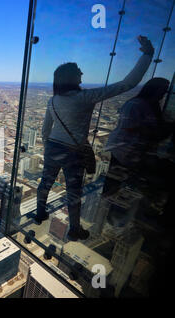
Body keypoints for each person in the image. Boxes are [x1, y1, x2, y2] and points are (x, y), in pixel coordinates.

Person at [34, 36, 154, 241]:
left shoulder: (53, 101)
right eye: (78, 70)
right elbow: (127, 84)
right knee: (73, 191)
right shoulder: (85, 97)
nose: (82, 73)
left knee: (45, 182)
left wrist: (49, 149)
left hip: (54, 147)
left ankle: (39, 213)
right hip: (73, 151)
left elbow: (46, 131)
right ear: (72, 77)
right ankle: (74, 229)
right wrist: (147, 54)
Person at [104, 77, 175, 225]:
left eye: (166, 91)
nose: (164, 95)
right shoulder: (138, 105)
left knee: (121, 183)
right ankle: (116, 216)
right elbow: (132, 129)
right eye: (162, 91)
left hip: (127, 151)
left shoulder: (146, 105)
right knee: (120, 183)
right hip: (125, 151)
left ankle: (117, 215)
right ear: (153, 90)